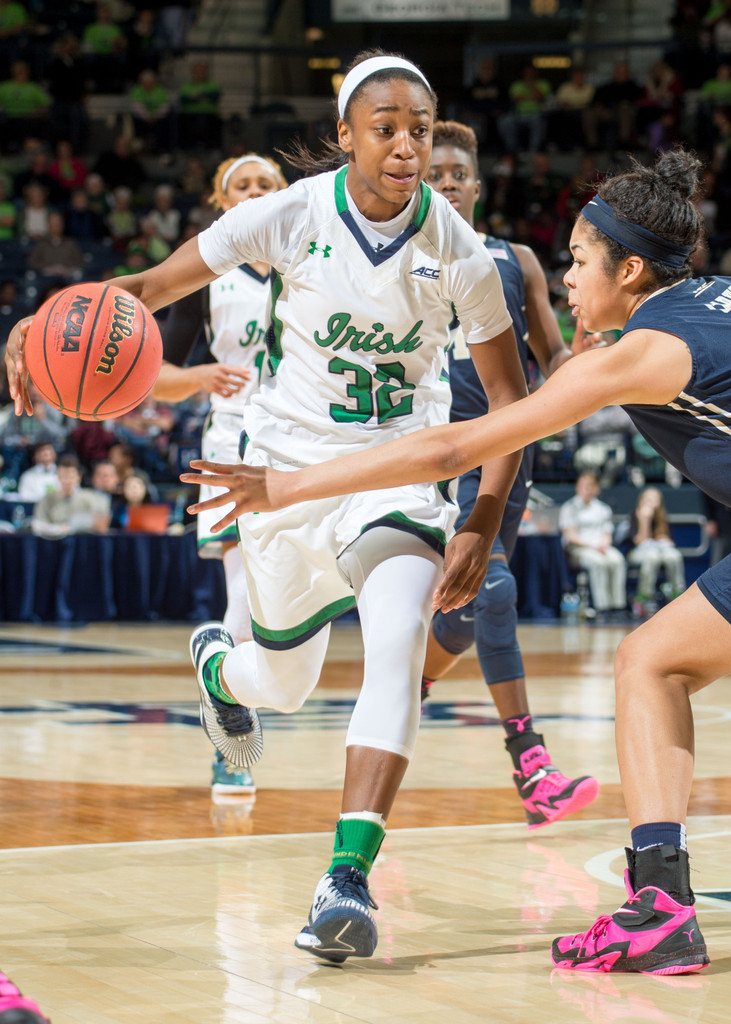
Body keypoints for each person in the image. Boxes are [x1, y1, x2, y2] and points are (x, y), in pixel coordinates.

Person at [163, 147, 731, 976]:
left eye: (577, 259)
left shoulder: (641, 351)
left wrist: (287, 485)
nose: (567, 277)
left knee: (648, 664)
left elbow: (453, 446)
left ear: (630, 268)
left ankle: (660, 909)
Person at [5, 48, 527, 964]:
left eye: (418, 129)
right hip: (282, 476)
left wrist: (481, 516)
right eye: (385, 129)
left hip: (398, 474)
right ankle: (218, 672)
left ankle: (346, 879)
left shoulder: (459, 250)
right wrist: (42, 321)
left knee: (398, 647)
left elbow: (509, 399)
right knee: (277, 684)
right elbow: (148, 290)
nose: (405, 145)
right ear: (344, 138)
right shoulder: (283, 214)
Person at [420, 119, 599, 827]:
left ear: (475, 185)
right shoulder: (394, 258)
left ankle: (410, 687)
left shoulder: (513, 258)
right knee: (491, 590)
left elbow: (551, 359)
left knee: (462, 621)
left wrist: (585, 355)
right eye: (433, 175)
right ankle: (531, 764)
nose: (444, 185)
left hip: (506, 452)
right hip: (433, 453)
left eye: (455, 175)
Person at [151, 150, 289, 797]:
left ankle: (224, 686)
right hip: (233, 437)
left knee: (275, 598)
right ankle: (230, 731)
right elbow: (152, 373)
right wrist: (199, 377)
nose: (256, 192)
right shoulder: (207, 271)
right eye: (243, 185)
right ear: (222, 201)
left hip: (306, 442)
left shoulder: (312, 261)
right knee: (243, 587)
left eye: (267, 183)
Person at [559, 471, 628, 616]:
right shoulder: (569, 507)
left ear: (597, 488)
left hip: (601, 547)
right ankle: (601, 606)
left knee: (618, 560)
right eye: (583, 486)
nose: (586, 489)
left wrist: (604, 544)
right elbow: (571, 536)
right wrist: (593, 547)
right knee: (598, 563)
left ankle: (617, 605)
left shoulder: (603, 508)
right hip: (579, 548)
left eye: (590, 486)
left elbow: (607, 533)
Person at [626, 486, 686, 616]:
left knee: (674, 556)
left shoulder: (663, 516)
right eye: (647, 499)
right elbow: (640, 540)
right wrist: (645, 519)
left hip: (660, 551)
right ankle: (644, 597)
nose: (650, 503)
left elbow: (668, 540)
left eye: (654, 499)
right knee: (652, 557)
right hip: (637, 553)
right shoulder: (635, 514)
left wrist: (663, 540)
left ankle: (677, 594)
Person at [31, 453, 111, 537]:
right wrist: (59, 530)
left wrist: (78, 524)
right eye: (63, 476)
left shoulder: (90, 498)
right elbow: (38, 526)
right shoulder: (47, 499)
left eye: (70, 476)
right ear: (57, 476)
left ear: (78, 477)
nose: (67, 481)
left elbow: (102, 525)